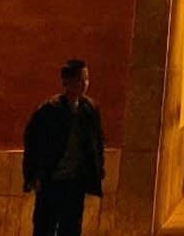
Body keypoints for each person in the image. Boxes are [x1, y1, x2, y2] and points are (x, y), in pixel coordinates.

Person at [23, 59, 107, 236]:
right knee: (45, 226)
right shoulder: (49, 110)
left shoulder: (90, 109)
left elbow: (97, 141)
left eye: (86, 79)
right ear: (67, 82)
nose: (84, 84)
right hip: (51, 180)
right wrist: (33, 175)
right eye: (79, 79)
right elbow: (33, 143)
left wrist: (98, 168)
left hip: (75, 182)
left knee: (71, 227)